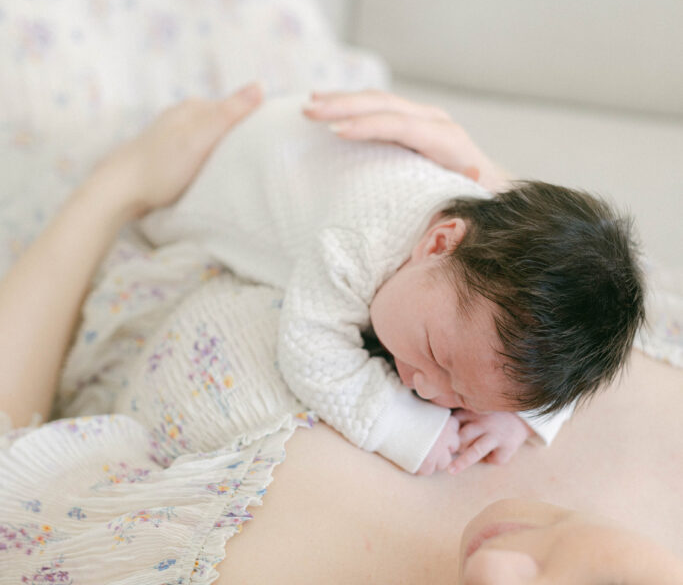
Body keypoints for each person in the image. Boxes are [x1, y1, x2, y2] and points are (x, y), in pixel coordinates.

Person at [0, 87, 681, 585]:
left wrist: (118, 188)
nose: (488, 575)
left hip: (99, 236)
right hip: (307, 165)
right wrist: (487, 198)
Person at [138, 92, 644, 476]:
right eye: (436, 356)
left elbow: (560, 338)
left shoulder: (475, 268)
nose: (426, 387)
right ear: (438, 243)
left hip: (316, 154)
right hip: (223, 179)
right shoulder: (357, 238)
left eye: (463, 397)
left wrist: (520, 416)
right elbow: (310, 351)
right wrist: (404, 429)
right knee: (156, 223)